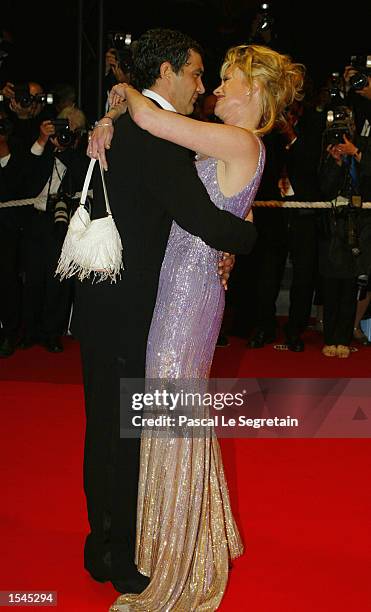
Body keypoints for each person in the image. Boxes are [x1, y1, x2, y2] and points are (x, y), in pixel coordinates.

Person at [89, 39, 304, 610]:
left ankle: (172, 557)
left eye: (228, 81)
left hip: (185, 302)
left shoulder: (237, 139)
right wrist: (112, 114)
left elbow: (153, 121)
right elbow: (231, 206)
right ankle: (175, 540)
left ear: (254, 91)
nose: (214, 90)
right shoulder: (235, 147)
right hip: (180, 291)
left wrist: (123, 92)